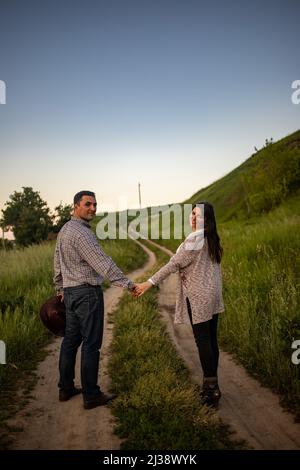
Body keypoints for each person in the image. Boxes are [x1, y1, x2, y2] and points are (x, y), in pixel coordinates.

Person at [135, 202, 224, 407]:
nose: (193, 218)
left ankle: (211, 390)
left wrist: (149, 283)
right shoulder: (211, 237)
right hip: (213, 295)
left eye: (199, 215)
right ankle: (212, 384)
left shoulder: (194, 239)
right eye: (192, 214)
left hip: (199, 297)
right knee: (211, 340)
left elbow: (173, 264)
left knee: (203, 341)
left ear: (207, 219)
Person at [54, 190, 137, 409]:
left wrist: (60, 287)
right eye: (87, 204)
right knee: (91, 344)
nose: (92, 208)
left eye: (95, 204)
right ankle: (91, 395)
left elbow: (57, 262)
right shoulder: (82, 234)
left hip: (70, 294)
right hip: (86, 294)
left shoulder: (64, 230)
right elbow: (103, 264)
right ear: (75, 206)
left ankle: (66, 388)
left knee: (70, 341)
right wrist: (128, 284)